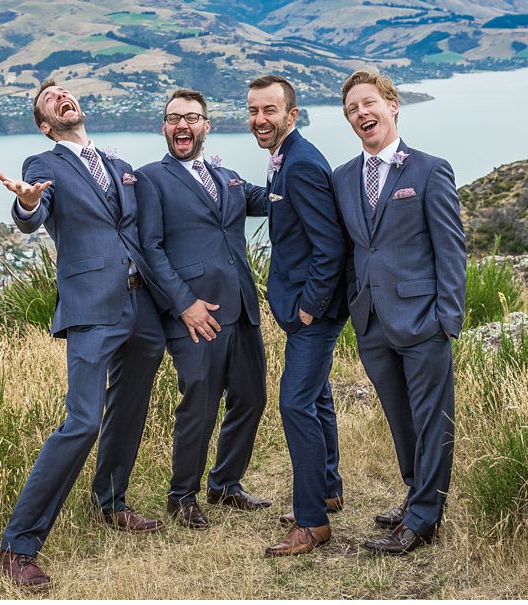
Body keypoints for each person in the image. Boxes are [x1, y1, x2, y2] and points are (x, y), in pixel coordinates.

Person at [0, 81, 166, 590]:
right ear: (46, 125)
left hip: (142, 306)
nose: (61, 96)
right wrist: (26, 205)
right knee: (83, 421)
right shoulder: (44, 164)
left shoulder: (115, 165)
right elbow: (33, 214)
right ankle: (19, 544)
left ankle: (110, 503)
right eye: (50, 100)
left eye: (65, 91)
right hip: (92, 305)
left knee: (130, 407)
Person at [332, 70, 466, 556]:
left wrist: (447, 319)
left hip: (423, 321)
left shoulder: (430, 170)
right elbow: (350, 249)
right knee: (399, 418)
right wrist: (354, 303)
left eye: (369, 103)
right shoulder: (343, 178)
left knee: (432, 420)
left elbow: (451, 250)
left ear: (392, 105)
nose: (362, 114)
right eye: (352, 109)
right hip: (370, 321)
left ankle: (425, 520)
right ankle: (416, 495)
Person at [135, 89, 270, 529]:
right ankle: (182, 495)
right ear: (164, 127)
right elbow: (150, 248)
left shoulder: (227, 176)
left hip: (242, 307)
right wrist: (184, 305)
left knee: (251, 398)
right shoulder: (150, 178)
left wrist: (310, 173)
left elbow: (272, 201)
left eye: (192, 118)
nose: (182, 126)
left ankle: (225, 483)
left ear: (206, 126)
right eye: (174, 118)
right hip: (195, 314)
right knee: (200, 405)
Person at [247, 75, 348, 557]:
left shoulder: (302, 163)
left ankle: (312, 523)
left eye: (270, 111)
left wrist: (309, 308)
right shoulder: (284, 157)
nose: (260, 120)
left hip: (315, 313)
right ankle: (328, 489)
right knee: (318, 398)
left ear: (291, 114)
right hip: (306, 310)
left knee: (295, 405)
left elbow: (329, 246)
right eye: (253, 111)